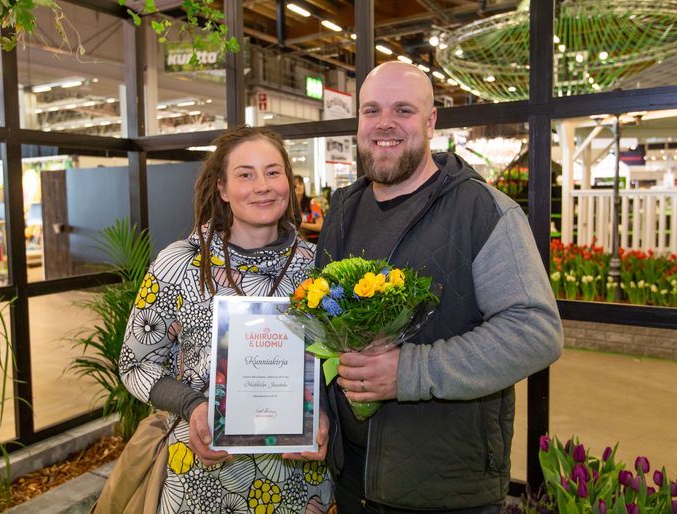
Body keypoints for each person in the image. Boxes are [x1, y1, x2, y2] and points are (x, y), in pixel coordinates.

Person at [315, 61, 564, 513]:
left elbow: (535, 331)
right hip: (351, 479)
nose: (384, 123)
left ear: (431, 121)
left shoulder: (483, 211)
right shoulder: (343, 210)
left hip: (445, 488)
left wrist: (410, 372)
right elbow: (323, 331)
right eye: (371, 110)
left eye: (403, 110)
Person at [119, 126, 334, 513]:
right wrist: (193, 406)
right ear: (221, 188)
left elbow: (336, 363)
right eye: (245, 174)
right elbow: (135, 364)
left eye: (273, 172)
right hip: (202, 475)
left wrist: (323, 413)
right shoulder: (181, 264)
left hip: (297, 482)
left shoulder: (317, 268)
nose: (262, 186)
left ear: (290, 181)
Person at [294, 174, 324, 243]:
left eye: (300, 183)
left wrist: (301, 224)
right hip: (297, 241)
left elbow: (320, 226)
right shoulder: (289, 205)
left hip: (314, 241)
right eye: (295, 185)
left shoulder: (312, 203)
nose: (298, 186)